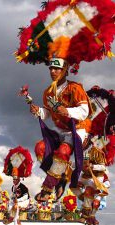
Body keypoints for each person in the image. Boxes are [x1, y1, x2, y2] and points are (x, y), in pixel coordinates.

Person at [30, 57, 91, 201]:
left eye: (57, 68)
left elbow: (84, 111)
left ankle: (47, 189)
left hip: (78, 128)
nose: (53, 71)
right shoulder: (48, 92)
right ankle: (62, 176)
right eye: (51, 68)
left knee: (63, 151)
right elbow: (47, 113)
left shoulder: (75, 88)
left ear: (65, 70)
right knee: (40, 148)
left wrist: (68, 111)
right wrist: (38, 111)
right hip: (61, 130)